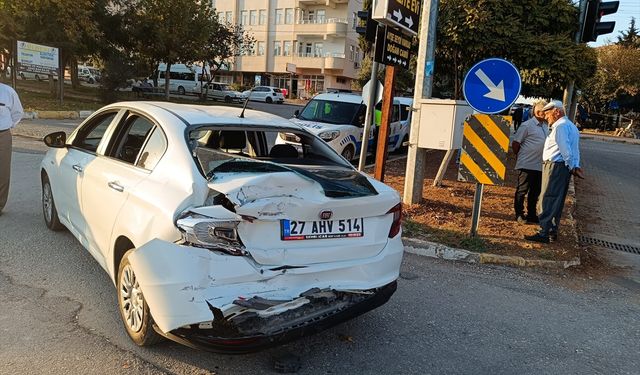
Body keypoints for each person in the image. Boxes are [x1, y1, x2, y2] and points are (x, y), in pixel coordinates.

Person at [525, 100, 583, 244]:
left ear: (557, 112)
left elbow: (566, 150)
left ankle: (544, 232)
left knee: (547, 198)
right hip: (562, 167)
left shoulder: (560, 127)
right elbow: (574, 150)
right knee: (556, 199)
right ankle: (551, 230)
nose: (546, 118)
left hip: (555, 166)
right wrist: (574, 166)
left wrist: (571, 165)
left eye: (548, 114)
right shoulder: (571, 126)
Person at [512, 100, 548, 224]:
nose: (548, 114)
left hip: (540, 165)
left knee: (535, 192)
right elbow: (516, 143)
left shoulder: (545, 126)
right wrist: (521, 156)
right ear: (538, 112)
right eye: (546, 112)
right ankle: (519, 214)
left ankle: (532, 214)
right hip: (527, 164)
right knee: (522, 190)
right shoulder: (527, 125)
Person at [0, 82, 24, 215]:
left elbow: (17, 113)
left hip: (2, 136)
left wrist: (7, 125)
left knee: (2, 171)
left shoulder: (7, 92)